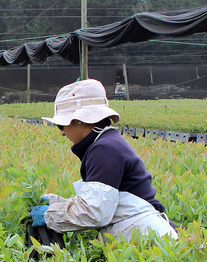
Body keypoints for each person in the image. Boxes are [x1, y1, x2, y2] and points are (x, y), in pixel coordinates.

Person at [29, 79, 177, 241]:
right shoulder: (106, 143)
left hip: (146, 236)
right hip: (138, 232)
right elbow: (105, 201)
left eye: (61, 126)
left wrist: (50, 215)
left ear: (80, 120)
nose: (62, 133)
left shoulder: (104, 149)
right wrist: (58, 203)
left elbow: (94, 212)